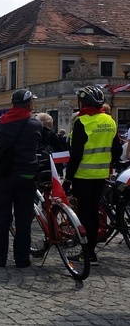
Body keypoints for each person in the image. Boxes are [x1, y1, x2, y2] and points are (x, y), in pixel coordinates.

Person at [65, 86, 122, 265]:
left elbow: (76, 155)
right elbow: (117, 149)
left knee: (85, 215)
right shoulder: (109, 120)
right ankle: (91, 252)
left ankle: (87, 254)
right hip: (101, 175)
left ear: (82, 103)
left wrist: (67, 178)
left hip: (83, 175)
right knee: (95, 213)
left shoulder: (82, 122)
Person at [0, 89, 42, 268]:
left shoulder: (0, 122)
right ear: (29, 104)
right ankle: (22, 259)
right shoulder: (35, 123)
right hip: (26, 175)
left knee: (2, 218)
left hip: (2, 176)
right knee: (24, 219)